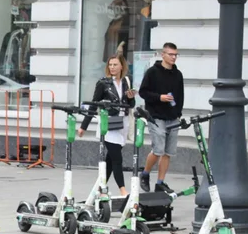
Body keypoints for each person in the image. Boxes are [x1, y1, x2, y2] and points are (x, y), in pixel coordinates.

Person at [78, 55, 136, 196]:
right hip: (108, 124)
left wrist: (131, 98)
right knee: (117, 158)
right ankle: (123, 190)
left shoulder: (126, 81)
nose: (112, 67)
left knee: (110, 160)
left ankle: (100, 188)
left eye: (115, 65)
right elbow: (93, 105)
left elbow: (131, 105)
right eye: (110, 65)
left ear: (122, 66)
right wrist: (83, 126)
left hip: (122, 123)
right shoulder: (103, 83)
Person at [137, 43, 185, 193]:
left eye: (175, 55)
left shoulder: (178, 75)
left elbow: (180, 96)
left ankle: (160, 182)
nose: (173, 57)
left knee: (168, 152)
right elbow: (143, 92)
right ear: (162, 54)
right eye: (171, 54)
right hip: (156, 116)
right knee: (158, 150)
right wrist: (159, 97)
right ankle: (145, 174)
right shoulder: (152, 72)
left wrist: (178, 113)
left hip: (173, 117)